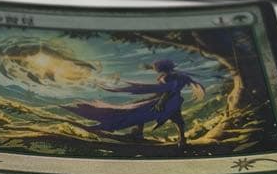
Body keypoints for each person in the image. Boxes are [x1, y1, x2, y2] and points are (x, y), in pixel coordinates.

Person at [65, 59, 204, 149]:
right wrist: (148, 67)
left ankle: (140, 134)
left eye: (155, 67)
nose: (154, 69)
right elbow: (170, 87)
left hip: (167, 100)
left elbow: (168, 90)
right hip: (174, 100)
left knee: (140, 112)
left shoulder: (167, 77)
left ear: (161, 68)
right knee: (176, 118)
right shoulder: (175, 75)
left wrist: (161, 102)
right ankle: (181, 139)